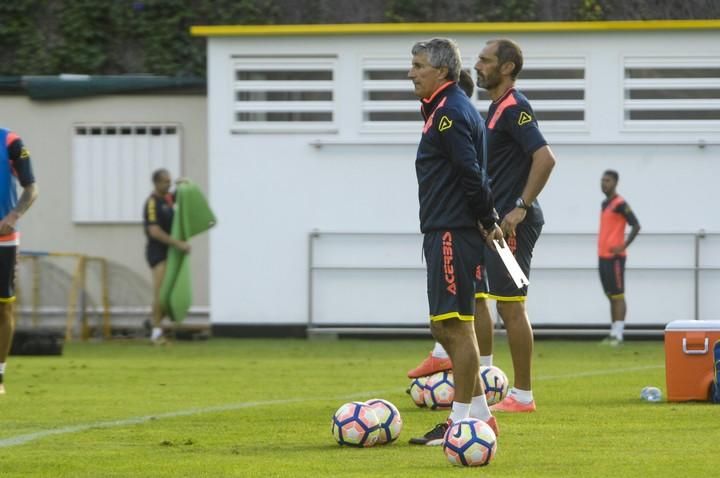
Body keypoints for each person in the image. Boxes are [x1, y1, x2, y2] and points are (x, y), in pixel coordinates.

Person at [409, 39, 557, 415]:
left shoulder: (515, 108)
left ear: (507, 68)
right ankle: (484, 382)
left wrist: (519, 209)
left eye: (486, 60)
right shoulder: (490, 110)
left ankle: (522, 395)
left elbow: (545, 158)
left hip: (509, 224)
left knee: (511, 306)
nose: (477, 65)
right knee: (478, 300)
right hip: (487, 222)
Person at [407, 37, 503, 446]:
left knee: (455, 327)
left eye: (417, 65)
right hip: (444, 228)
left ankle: (459, 422)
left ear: (442, 71)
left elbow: (471, 171)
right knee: (444, 325)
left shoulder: (449, 113)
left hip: (451, 230)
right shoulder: (443, 109)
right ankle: (479, 415)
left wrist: (487, 217)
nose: (411, 73)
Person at [0, 128, 38, 395]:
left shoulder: (10, 142)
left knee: (3, 309)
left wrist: (13, 216)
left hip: (4, 240)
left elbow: (31, 188)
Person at [143, 169, 191, 345]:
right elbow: (154, 231)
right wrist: (178, 244)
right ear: (156, 183)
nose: (168, 184)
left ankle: (153, 324)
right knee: (161, 293)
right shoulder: (152, 203)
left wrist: (184, 185)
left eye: (170, 181)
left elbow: (182, 197)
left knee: (168, 294)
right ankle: (156, 332)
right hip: (158, 252)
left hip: (170, 252)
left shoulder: (169, 200)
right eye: (165, 182)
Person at [598, 169, 640, 345]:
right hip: (603, 256)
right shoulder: (605, 204)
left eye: (607, 180)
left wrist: (623, 245)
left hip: (616, 258)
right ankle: (613, 331)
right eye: (602, 180)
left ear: (615, 182)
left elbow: (636, 225)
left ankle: (619, 334)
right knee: (610, 294)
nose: (603, 183)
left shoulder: (620, 203)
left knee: (618, 294)